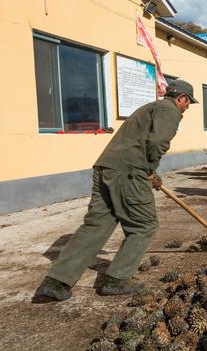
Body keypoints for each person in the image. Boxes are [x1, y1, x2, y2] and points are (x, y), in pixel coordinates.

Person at [35, 79, 197, 301]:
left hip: (105, 167)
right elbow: (158, 141)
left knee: (97, 224)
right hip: (128, 171)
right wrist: (149, 168)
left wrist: (150, 171)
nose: (187, 108)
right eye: (188, 103)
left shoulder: (148, 108)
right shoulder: (169, 110)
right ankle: (117, 279)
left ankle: (56, 282)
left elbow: (141, 141)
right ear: (182, 98)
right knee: (144, 224)